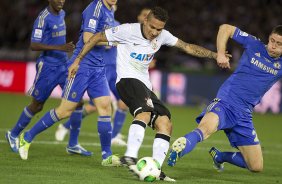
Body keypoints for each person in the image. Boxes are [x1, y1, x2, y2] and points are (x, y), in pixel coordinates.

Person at [68, 7, 224, 181]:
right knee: (145, 112)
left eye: (159, 29)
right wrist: (77, 60)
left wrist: (214, 55)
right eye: (152, 27)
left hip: (145, 85)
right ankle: (130, 156)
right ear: (145, 22)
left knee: (165, 123)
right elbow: (97, 37)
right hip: (126, 80)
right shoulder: (127, 30)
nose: (155, 32)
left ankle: (156, 169)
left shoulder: (163, 35)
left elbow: (186, 47)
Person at [167, 24, 282, 173]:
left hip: (244, 114)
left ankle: (220, 156)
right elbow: (225, 28)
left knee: (256, 166)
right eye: (272, 40)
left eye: (279, 44)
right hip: (227, 101)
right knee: (205, 129)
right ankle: (180, 149)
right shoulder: (254, 44)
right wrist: (220, 53)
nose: (273, 46)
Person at [18, 0, 120, 167]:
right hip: (82, 66)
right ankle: (27, 137)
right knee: (65, 111)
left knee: (105, 107)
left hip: (98, 68)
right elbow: (88, 38)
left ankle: (106, 156)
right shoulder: (95, 8)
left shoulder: (110, 10)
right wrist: (111, 41)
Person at [4, 0, 92, 154]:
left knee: (77, 102)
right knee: (37, 105)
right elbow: (34, 45)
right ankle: (13, 134)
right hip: (47, 68)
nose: (61, 1)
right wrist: (60, 47)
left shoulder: (62, 13)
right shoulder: (43, 18)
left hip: (64, 66)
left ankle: (73, 144)